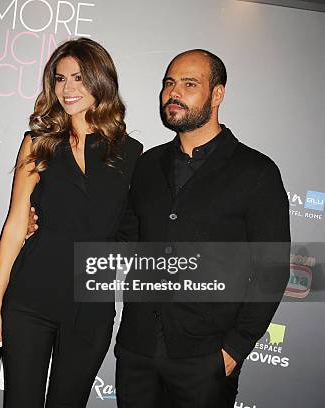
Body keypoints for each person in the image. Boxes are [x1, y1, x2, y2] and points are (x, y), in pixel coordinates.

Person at [112, 49, 290, 408]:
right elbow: (126, 241)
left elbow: (272, 269)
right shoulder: (147, 165)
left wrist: (235, 348)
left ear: (218, 94)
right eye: (169, 84)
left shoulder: (256, 172)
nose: (173, 93)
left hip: (206, 358)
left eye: (189, 84)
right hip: (137, 350)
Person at [0, 37, 142, 407]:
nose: (67, 88)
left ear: (100, 81)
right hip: (30, 296)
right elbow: (16, 223)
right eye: (60, 79)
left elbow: (131, 232)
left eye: (79, 78)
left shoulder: (131, 153)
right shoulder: (38, 143)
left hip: (91, 305)